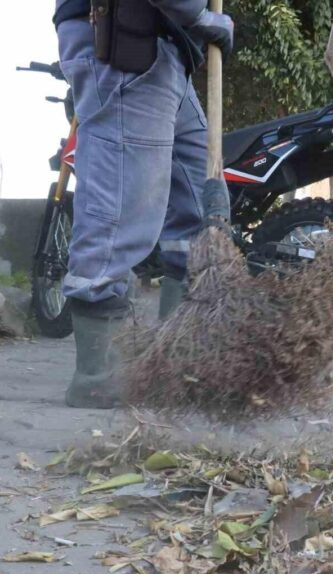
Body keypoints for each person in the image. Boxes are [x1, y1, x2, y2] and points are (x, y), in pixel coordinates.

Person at [53, 0, 233, 409]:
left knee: (196, 199)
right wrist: (200, 15)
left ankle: (172, 358)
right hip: (126, 38)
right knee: (121, 211)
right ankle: (97, 377)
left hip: (166, 48)